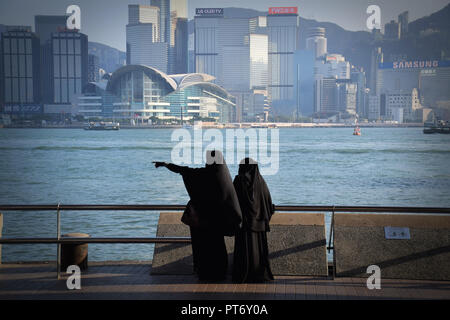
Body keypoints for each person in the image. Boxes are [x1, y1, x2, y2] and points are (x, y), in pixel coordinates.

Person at [154, 150, 242, 281]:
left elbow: (184, 171)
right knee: (217, 246)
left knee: (204, 247)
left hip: (203, 221)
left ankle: (206, 273)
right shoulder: (224, 176)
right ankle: (219, 273)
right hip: (218, 221)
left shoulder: (202, 174)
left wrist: (166, 164)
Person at [232, 158, 274, 283]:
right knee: (259, 251)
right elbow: (268, 203)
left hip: (244, 225)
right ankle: (259, 274)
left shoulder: (239, 181)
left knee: (243, 250)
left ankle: (243, 274)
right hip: (259, 224)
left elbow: (233, 202)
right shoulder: (261, 182)